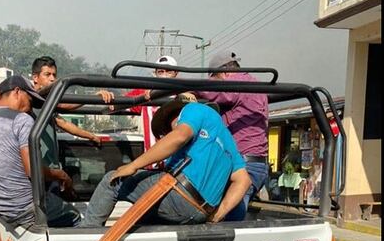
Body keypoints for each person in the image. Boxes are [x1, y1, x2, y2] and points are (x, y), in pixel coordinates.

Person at [79, 97, 251, 228]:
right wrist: (217, 215)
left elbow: (180, 136)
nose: (168, 133)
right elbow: (243, 180)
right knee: (142, 218)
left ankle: (85, 235)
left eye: (168, 129)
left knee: (112, 181)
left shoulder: (193, 109)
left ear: (176, 115)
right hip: (200, 213)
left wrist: (133, 165)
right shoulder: (228, 140)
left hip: (179, 193)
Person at [0, 76, 81, 228]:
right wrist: (62, 175)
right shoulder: (22, 120)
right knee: (75, 216)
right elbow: (32, 170)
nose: (31, 108)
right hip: (24, 209)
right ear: (17, 92)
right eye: (30, 100)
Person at [192, 49, 270, 220]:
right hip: (257, 163)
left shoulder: (236, 83)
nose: (212, 82)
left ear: (224, 72)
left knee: (231, 213)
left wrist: (186, 89)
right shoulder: (256, 85)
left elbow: (211, 91)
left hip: (243, 163)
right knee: (227, 207)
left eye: (213, 78)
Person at [30, 56, 115, 145]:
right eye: (47, 74)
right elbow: (64, 112)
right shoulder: (28, 98)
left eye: (54, 75)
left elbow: (63, 122)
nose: (52, 79)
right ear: (35, 77)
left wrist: (92, 136)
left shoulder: (48, 100)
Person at [124, 55, 179, 152]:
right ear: (155, 73)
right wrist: (105, 95)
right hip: (153, 156)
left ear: (176, 73)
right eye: (161, 72)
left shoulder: (184, 93)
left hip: (177, 155)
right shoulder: (144, 92)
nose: (164, 75)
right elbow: (119, 102)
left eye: (169, 71)